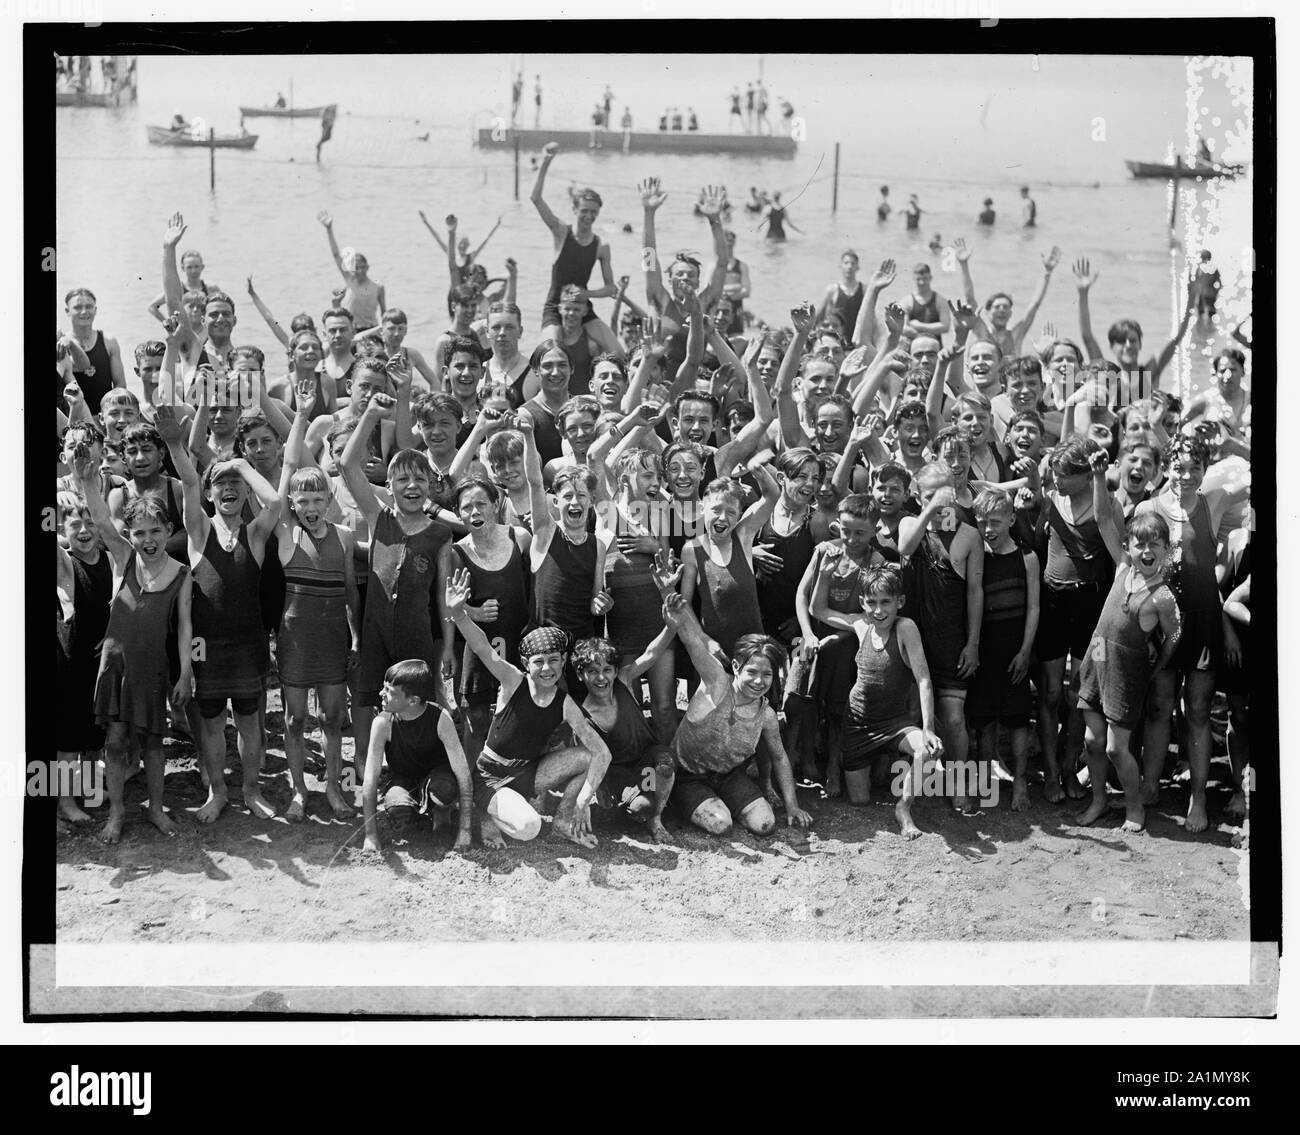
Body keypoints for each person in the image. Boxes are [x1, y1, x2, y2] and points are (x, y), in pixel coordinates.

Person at [157, 403, 281, 825]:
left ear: (245, 490)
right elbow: (190, 479)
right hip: (206, 647)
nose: (228, 487)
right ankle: (217, 791)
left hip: (247, 645)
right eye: (220, 483)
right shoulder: (199, 531)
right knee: (211, 728)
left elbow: (276, 500)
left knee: (250, 726)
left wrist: (240, 465)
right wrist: (175, 443)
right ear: (210, 494)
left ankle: (251, 790)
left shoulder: (256, 533)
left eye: (235, 484)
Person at [446, 570, 615, 849]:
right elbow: (483, 647)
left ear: (563, 661)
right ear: (526, 664)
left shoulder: (565, 703)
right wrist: (460, 614)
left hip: (529, 773)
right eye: (538, 662)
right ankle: (486, 815)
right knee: (529, 827)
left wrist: (583, 800)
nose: (547, 669)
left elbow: (601, 753)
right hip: (491, 776)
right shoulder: (513, 681)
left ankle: (562, 823)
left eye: (553, 660)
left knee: (587, 757)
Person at [72, 461, 193, 845]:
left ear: (169, 530)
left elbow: (185, 627)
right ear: (131, 536)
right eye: (139, 533)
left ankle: (156, 808)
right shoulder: (124, 560)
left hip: (152, 667)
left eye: (155, 530)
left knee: (155, 742)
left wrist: (186, 672)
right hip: (116, 664)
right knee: (116, 740)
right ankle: (118, 811)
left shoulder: (181, 573)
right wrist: (88, 480)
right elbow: (103, 522)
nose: (147, 539)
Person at [274, 382, 361, 822]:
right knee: (292, 721)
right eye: (302, 500)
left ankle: (332, 788)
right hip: (294, 640)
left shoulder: (344, 537)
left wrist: (358, 638)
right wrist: (303, 415)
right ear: (291, 502)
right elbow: (290, 462)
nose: (310, 506)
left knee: (331, 720)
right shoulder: (286, 533)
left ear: (330, 500)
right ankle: (297, 792)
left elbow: (350, 591)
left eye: (318, 499)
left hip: (331, 638)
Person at [663, 582, 813, 836]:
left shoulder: (765, 714)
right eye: (751, 672)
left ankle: (725, 800)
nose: (758, 681)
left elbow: (779, 757)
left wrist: (792, 806)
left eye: (766, 674)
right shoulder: (717, 683)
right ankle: (686, 800)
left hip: (728, 776)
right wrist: (668, 596)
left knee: (765, 824)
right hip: (688, 775)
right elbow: (692, 643)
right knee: (721, 824)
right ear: (735, 667)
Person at [811, 559, 944, 837]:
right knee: (859, 800)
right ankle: (881, 767)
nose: (878, 610)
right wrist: (823, 575)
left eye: (886, 602)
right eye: (872, 602)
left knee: (927, 751)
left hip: (894, 721)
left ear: (900, 602)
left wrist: (928, 728)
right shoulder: (862, 625)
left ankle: (903, 808)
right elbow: (818, 610)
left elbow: (923, 679)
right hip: (858, 723)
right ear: (862, 602)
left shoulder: (905, 628)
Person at [1076, 512, 1182, 832]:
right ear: (1129, 548)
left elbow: (1176, 634)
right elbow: (1104, 520)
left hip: (1126, 670)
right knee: (1092, 741)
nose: (1147, 550)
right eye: (1140, 544)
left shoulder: (1162, 595)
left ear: (1167, 550)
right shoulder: (1123, 567)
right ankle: (1098, 801)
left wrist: (1157, 665)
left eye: (1155, 544)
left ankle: (1135, 808)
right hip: (1097, 655)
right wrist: (1098, 476)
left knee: (1115, 748)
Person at [1034, 437, 1125, 804]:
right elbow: (1040, 542)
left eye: (1063, 475)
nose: (1057, 480)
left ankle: (1070, 767)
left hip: (1092, 606)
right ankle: (1051, 772)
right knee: (1051, 692)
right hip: (1054, 602)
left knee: (1079, 695)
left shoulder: (1110, 503)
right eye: (1054, 473)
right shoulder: (1051, 500)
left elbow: (1108, 530)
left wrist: (1102, 478)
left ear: (1086, 475)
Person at [898, 461, 984, 813]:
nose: (942, 500)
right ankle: (911, 783)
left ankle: (958, 781)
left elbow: (976, 593)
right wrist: (930, 508)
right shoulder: (910, 524)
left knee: (952, 718)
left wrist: (973, 643)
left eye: (946, 492)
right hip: (912, 638)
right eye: (931, 494)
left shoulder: (969, 535)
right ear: (917, 497)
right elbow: (904, 547)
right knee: (911, 714)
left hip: (950, 638)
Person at [967, 489, 1040, 812]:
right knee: (984, 720)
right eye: (982, 523)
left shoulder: (1027, 558)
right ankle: (985, 781)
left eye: (995, 522)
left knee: (1018, 718)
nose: (988, 530)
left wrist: (1025, 651)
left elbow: (1034, 608)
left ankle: (1021, 781)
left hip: (1015, 647)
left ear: (1012, 519)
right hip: (984, 648)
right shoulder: (976, 555)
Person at [360, 659, 474, 853]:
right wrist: (370, 835)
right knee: (397, 808)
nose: (381, 694)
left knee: (444, 790)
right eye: (383, 688)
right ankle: (416, 810)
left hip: (438, 777)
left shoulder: (441, 718)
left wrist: (465, 830)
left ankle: (442, 809)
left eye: (389, 691)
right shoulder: (382, 722)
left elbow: (463, 775)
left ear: (413, 700)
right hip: (404, 778)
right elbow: (370, 779)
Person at [531, 143, 622, 357]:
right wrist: (545, 162)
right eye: (584, 211)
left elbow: (611, 289)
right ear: (574, 209)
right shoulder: (561, 232)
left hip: (583, 306)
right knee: (550, 354)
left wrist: (586, 294)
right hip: (555, 306)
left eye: (594, 212)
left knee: (617, 352)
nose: (589, 216)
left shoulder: (601, 246)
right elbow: (535, 199)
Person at [316, 211, 386, 330]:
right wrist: (329, 229)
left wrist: (384, 331)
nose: (358, 271)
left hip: (371, 329)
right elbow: (336, 255)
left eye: (361, 267)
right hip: (352, 329)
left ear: (367, 267)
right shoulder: (350, 280)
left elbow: (384, 313)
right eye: (355, 268)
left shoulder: (378, 287)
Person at [63, 287, 126, 414]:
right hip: (74, 416)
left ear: (95, 310)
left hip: (104, 415)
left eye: (89, 306)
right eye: (77, 307)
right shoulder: (63, 344)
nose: (84, 311)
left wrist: (109, 414)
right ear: (67, 311)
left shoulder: (109, 341)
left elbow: (120, 384)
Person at [816, 250, 864, 342]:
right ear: (840, 266)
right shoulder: (832, 290)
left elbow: (871, 319)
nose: (849, 267)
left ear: (857, 267)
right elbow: (819, 317)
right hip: (836, 341)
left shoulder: (864, 290)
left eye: (853, 263)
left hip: (857, 341)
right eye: (846, 263)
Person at [1190, 249, 1223, 318]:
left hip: (1202, 294)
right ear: (1210, 258)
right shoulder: (1214, 268)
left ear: (1202, 257)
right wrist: (1216, 291)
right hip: (1211, 294)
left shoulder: (1199, 268)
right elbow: (1220, 284)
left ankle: (1202, 328)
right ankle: (1210, 328)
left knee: (1200, 316)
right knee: (1211, 316)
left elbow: (1195, 283)